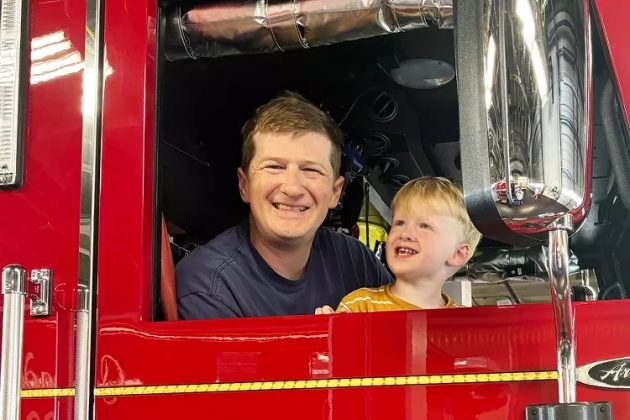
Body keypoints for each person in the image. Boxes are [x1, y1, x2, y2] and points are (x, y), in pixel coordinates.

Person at [176, 92, 392, 319]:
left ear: (335, 192)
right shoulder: (209, 288)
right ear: (244, 185)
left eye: (311, 170)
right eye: (274, 167)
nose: (292, 188)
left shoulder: (356, 262)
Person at [318, 177, 481, 313]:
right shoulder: (360, 305)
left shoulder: (461, 323)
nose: (405, 233)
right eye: (400, 223)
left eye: (424, 226)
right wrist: (326, 332)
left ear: (458, 254)